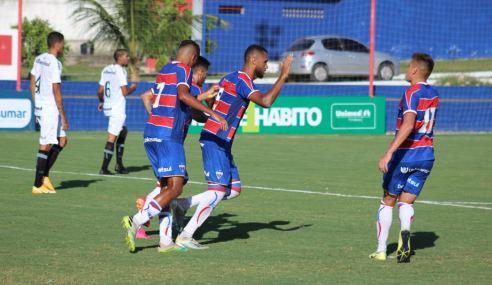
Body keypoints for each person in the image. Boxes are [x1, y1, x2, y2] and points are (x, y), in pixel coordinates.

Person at [173, 45, 294, 250]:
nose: (266, 66)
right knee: (218, 191)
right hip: (214, 141)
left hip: (222, 142)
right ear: (253, 60)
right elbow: (265, 102)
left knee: (234, 189)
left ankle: (182, 205)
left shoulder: (229, 78)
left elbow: (211, 99)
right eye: (265, 62)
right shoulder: (243, 81)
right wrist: (283, 76)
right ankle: (186, 235)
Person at [121, 41, 228, 253]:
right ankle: (136, 220)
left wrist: (204, 99)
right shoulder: (185, 70)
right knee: (176, 188)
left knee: (166, 189)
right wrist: (213, 112)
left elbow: (175, 101)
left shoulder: (165, 69)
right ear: (194, 58)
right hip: (169, 136)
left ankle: (165, 241)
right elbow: (183, 96)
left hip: (152, 133)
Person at [134, 56, 215, 242]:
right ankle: (143, 210)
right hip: (170, 142)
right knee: (172, 187)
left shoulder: (169, 79)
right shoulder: (191, 87)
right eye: (205, 74)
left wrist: (156, 117)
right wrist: (212, 110)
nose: (205, 78)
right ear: (200, 72)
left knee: (172, 184)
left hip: (161, 137)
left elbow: (145, 95)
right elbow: (191, 102)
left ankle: (165, 240)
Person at [369, 52, 438, 262]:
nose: (407, 69)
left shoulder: (411, 93)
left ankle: (381, 250)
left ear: (415, 70)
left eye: (409, 66)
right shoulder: (433, 92)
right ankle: (404, 233)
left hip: (406, 155)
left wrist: (389, 151)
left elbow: (408, 124)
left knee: (388, 200)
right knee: (406, 202)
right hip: (426, 157)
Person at [30, 32, 69, 194]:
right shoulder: (55, 63)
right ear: (58, 44)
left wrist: (36, 107)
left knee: (62, 140)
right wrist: (63, 116)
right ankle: (37, 184)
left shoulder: (39, 59)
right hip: (50, 108)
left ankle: (44, 177)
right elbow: (56, 90)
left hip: (42, 107)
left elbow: (32, 84)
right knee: (45, 145)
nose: (64, 46)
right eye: (63, 43)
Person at [97, 49, 137, 175]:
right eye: (126, 56)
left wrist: (101, 101)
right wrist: (133, 88)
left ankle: (119, 164)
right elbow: (125, 92)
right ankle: (104, 168)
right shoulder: (120, 70)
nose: (128, 58)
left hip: (108, 107)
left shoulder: (106, 69)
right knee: (112, 138)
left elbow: (100, 90)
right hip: (116, 109)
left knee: (123, 131)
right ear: (120, 58)